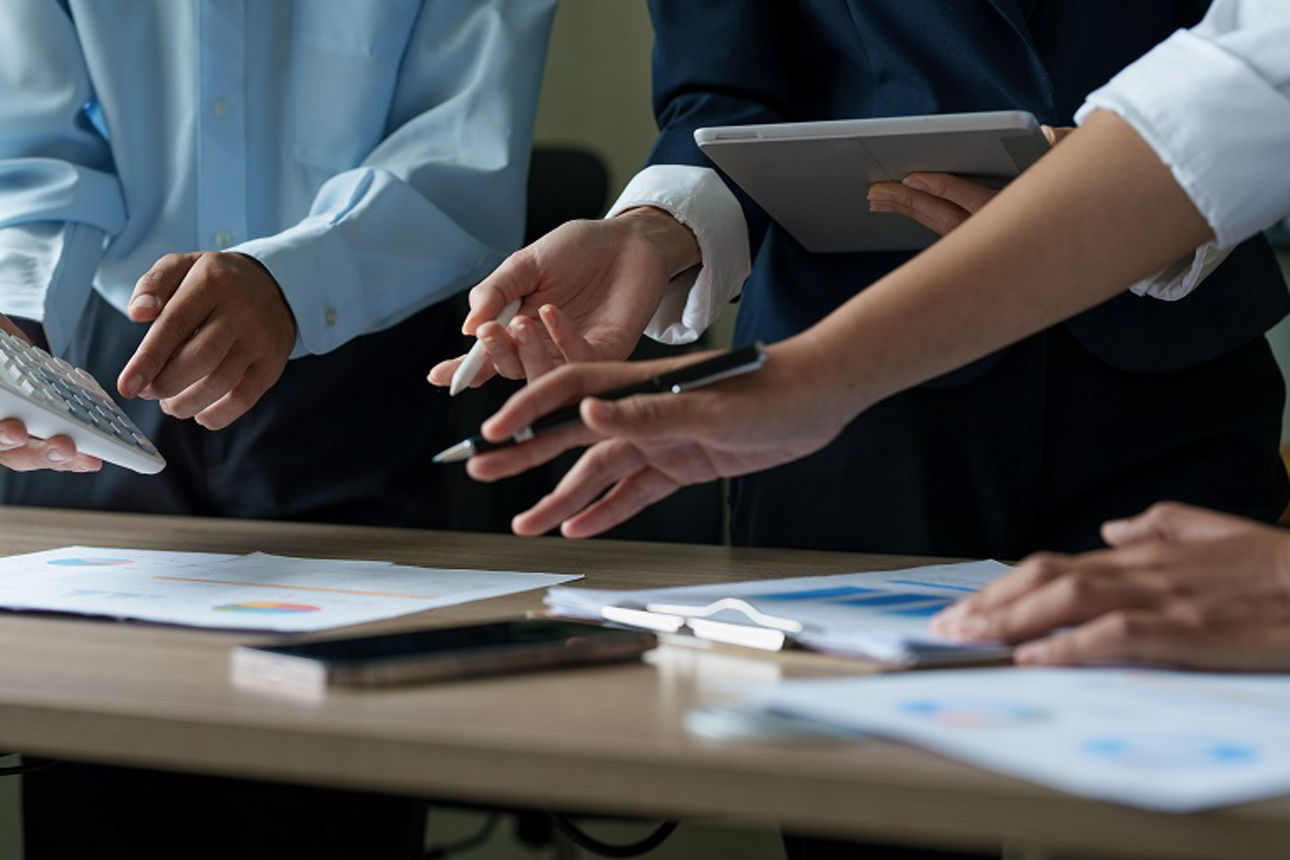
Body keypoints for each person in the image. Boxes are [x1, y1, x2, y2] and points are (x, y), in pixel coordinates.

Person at [467, 1, 1290, 672]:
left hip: (1180, 361)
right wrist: (657, 231)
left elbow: (1249, 82)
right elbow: (719, 88)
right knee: (863, 778)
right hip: (856, 403)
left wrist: (810, 378)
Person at [0, 2, 555, 857]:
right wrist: (15, 321)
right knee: (99, 791)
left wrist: (295, 277)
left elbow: (462, 140)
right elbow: (36, 134)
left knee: (328, 793)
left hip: (365, 336)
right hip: (102, 350)